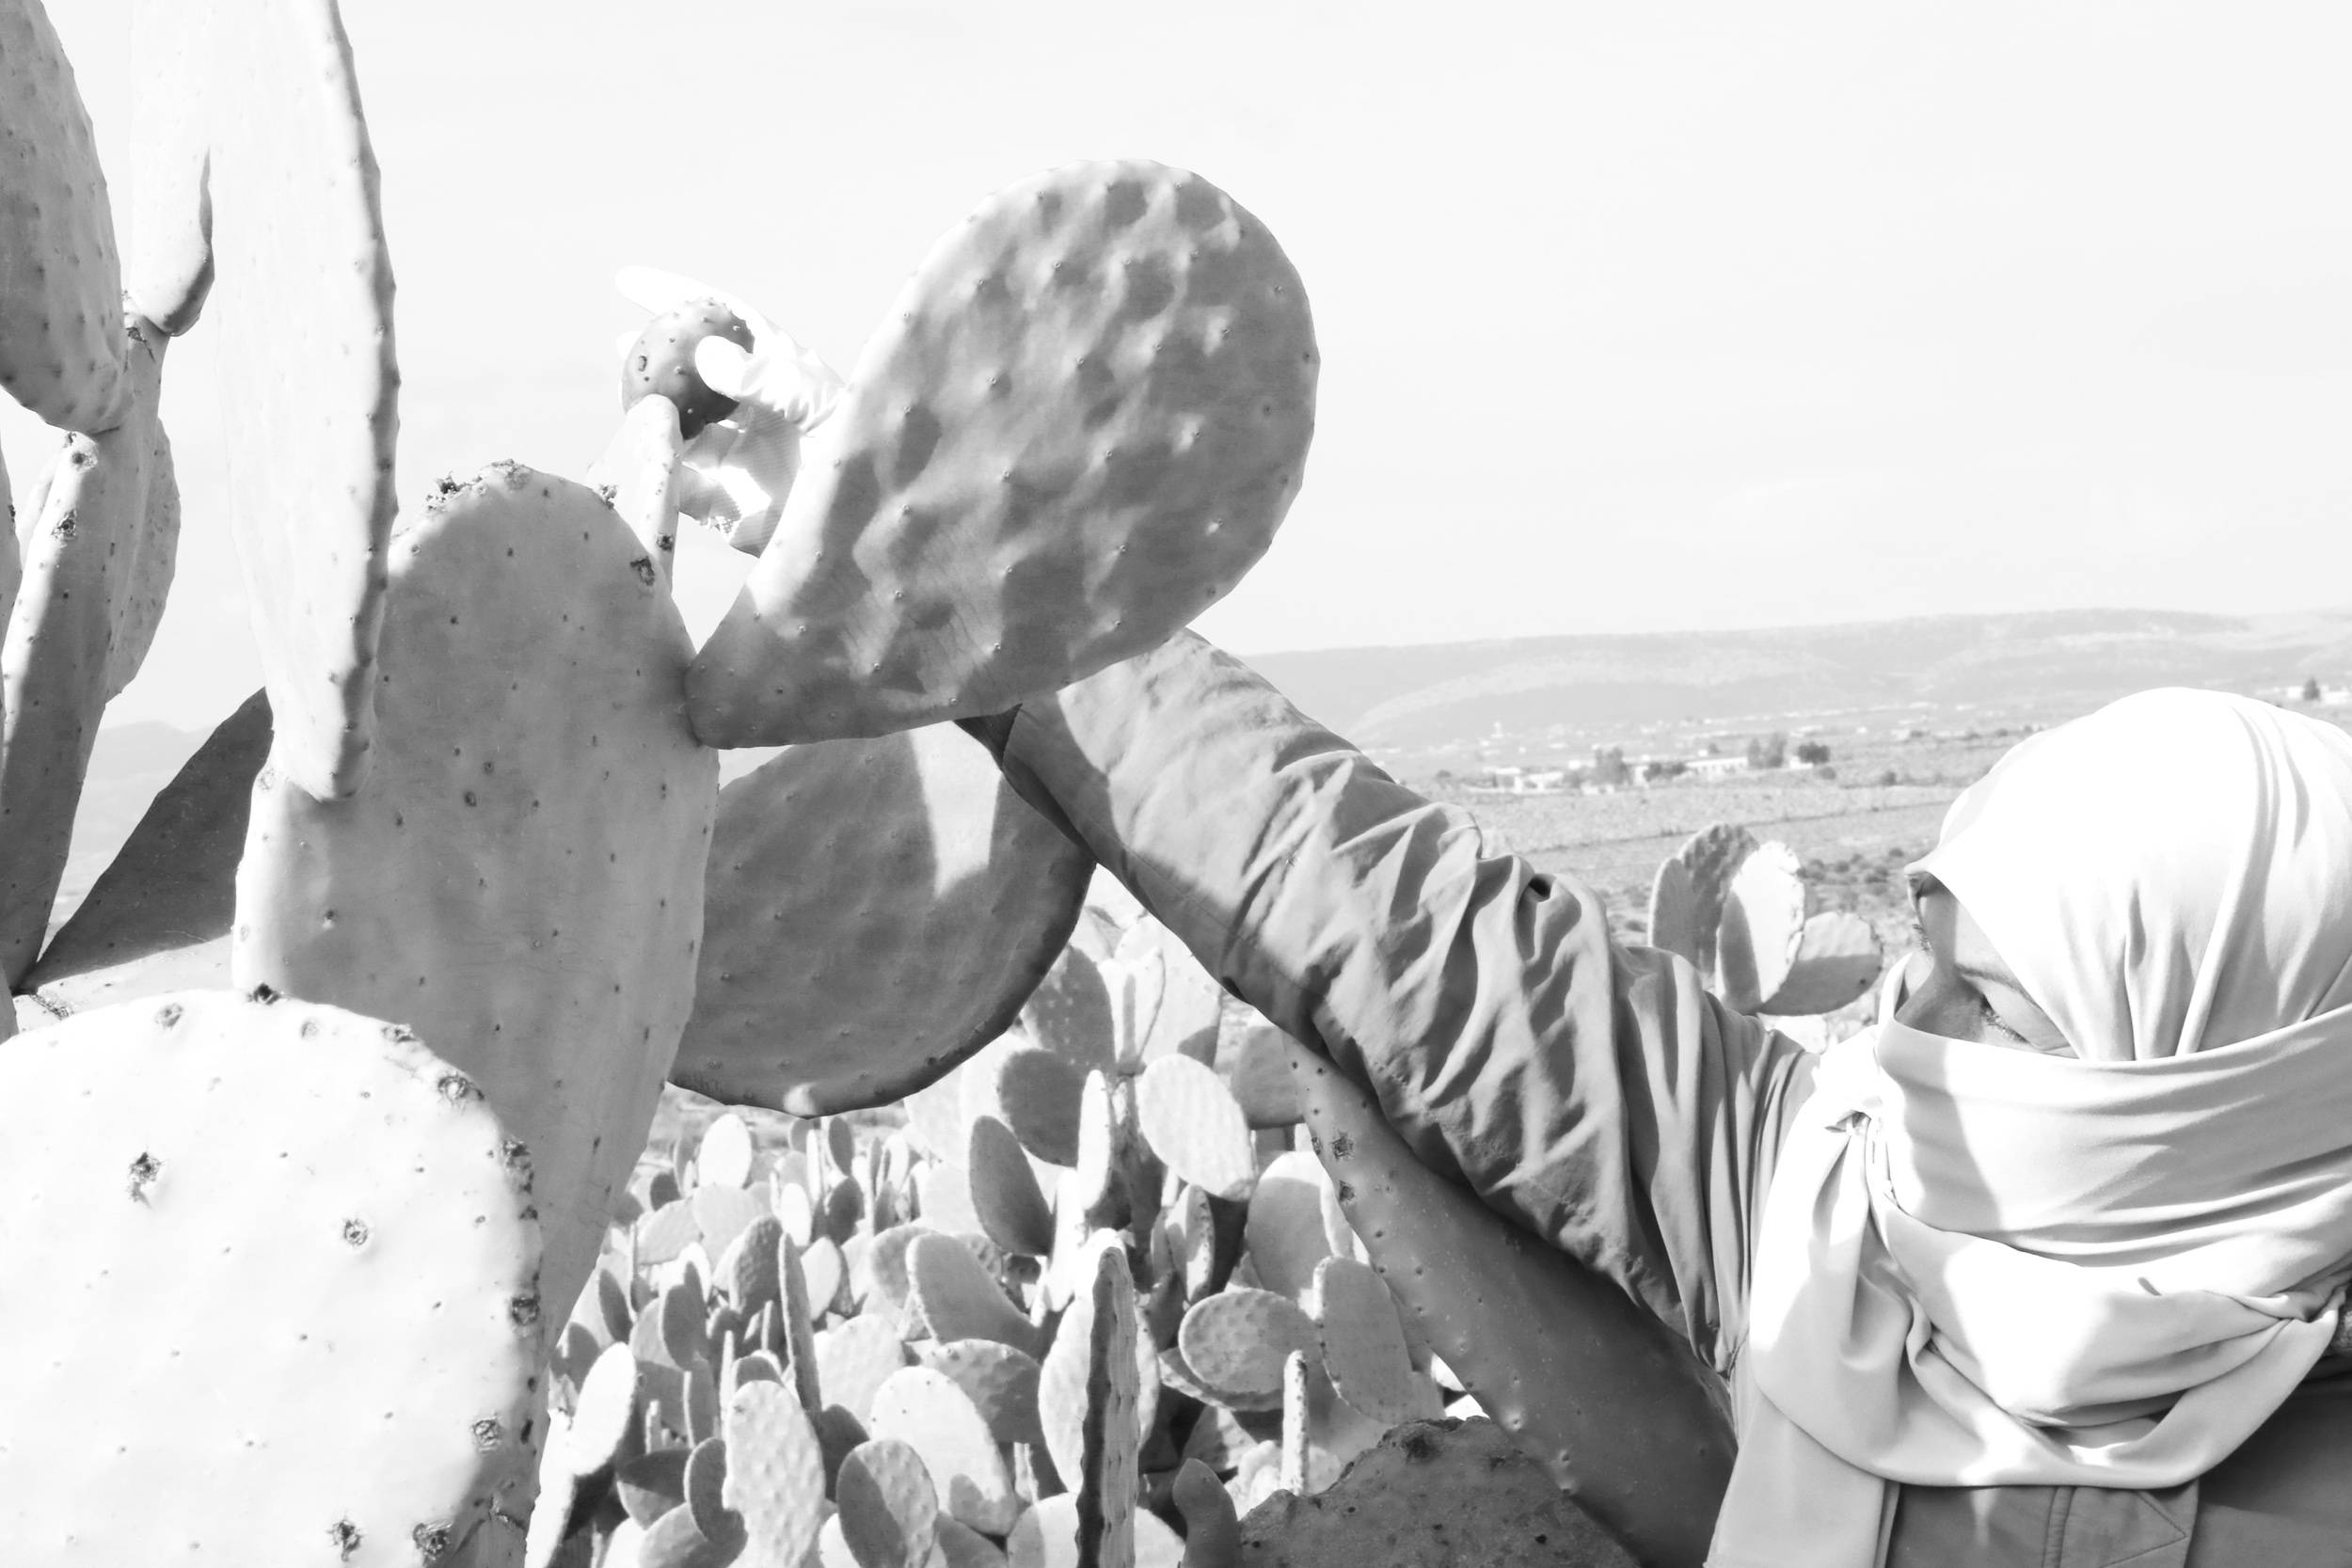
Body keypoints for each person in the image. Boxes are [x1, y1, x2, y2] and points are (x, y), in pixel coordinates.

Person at [641, 283, 2352, 1567]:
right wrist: (886, 519)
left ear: (2218, 1086)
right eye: (1921, 946)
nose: (1901, 1026)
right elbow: (1373, 905)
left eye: (1993, 1002)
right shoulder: (1809, 1200)